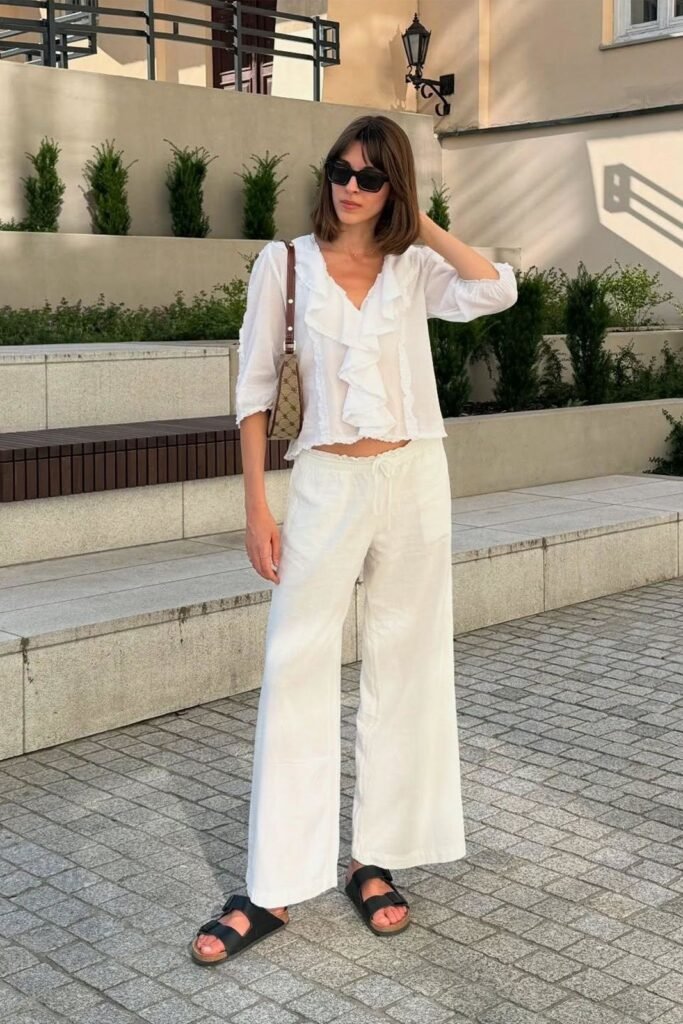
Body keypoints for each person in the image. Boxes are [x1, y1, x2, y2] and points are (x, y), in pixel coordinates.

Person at [190, 114, 518, 965]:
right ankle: (272, 884)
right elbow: (254, 389)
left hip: (414, 477)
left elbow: (493, 288)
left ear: (394, 189)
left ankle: (375, 857)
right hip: (327, 482)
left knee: (406, 664)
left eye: (372, 177)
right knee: (295, 665)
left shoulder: (413, 270)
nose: (349, 186)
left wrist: (420, 220)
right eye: (340, 169)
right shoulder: (285, 265)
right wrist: (257, 508)